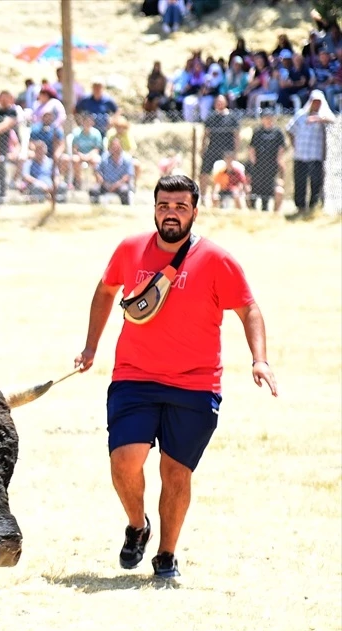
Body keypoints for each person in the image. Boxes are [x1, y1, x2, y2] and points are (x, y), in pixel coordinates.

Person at [73, 174, 277, 578]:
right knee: (125, 460)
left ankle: (166, 555)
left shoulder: (217, 259)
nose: (171, 213)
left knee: (175, 471)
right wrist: (91, 346)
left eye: (181, 207)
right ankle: (137, 526)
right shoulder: (130, 250)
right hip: (135, 377)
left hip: (196, 384)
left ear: (194, 212)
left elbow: (249, 309)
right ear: (154, 208)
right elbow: (105, 289)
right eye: (164, 205)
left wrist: (260, 359)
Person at [285, 89, 335, 219]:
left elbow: (333, 120)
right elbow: (289, 129)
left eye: (319, 102)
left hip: (316, 155)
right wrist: (294, 144)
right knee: (300, 181)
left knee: (316, 182)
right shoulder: (301, 115)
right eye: (314, 101)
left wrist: (318, 119)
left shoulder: (324, 116)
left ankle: (313, 206)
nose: (316, 104)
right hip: (301, 154)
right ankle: (300, 206)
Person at [247, 107, 286, 212]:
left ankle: (266, 209)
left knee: (269, 190)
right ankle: (253, 210)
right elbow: (252, 148)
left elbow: (281, 148)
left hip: (271, 166)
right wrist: (253, 162)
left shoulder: (277, 132)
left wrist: (279, 161)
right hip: (258, 166)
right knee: (255, 189)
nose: (268, 119)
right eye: (265, 117)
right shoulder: (257, 132)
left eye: (270, 117)